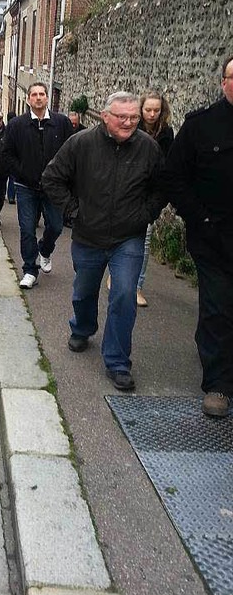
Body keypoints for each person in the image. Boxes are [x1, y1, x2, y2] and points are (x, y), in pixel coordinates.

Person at [41, 91, 164, 391]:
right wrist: (73, 211)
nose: (129, 122)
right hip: (88, 235)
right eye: (122, 117)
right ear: (105, 116)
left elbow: (162, 188)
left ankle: (118, 361)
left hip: (128, 238)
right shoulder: (81, 143)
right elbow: (51, 178)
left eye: (134, 117)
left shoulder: (148, 148)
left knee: (124, 294)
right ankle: (82, 328)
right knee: (84, 292)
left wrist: (145, 214)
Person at [164, 56, 233, 417]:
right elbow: (174, 177)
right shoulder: (201, 126)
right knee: (218, 307)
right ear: (223, 82)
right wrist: (200, 218)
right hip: (214, 237)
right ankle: (219, 385)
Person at [2, 81, 74, 288]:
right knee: (26, 229)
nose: (39, 97)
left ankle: (45, 249)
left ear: (47, 98)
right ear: (28, 99)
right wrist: (22, 172)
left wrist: (64, 177)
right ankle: (29, 270)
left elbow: (71, 152)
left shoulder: (61, 123)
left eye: (42, 94)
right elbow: (7, 154)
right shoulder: (17, 125)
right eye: (34, 94)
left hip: (54, 187)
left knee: (56, 225)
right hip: (26, 186)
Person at [135, 90, 174, 307]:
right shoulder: (133, 128)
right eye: (148, 110)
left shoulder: (166, 133)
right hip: (131, 189)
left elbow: (167, 165)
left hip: (151, 193)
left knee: (145, 241)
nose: (152, 114)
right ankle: (117, 274)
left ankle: (137, 286)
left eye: (156, 110)